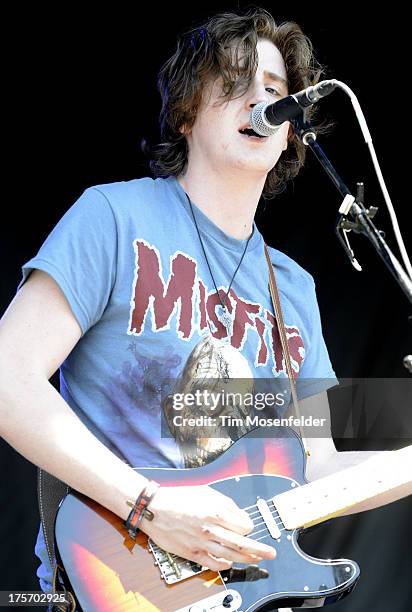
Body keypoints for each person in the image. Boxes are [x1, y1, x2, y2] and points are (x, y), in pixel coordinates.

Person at [0, 7, 408, 602]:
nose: (260, 102)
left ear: (291, 127)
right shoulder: (113, 218)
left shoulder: (293, 288)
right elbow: (8, 378)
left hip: (238, 589)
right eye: (236, 84)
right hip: (119, 581)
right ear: (189, 109)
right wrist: (149, 505)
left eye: (274, 92)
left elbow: (314, 466)